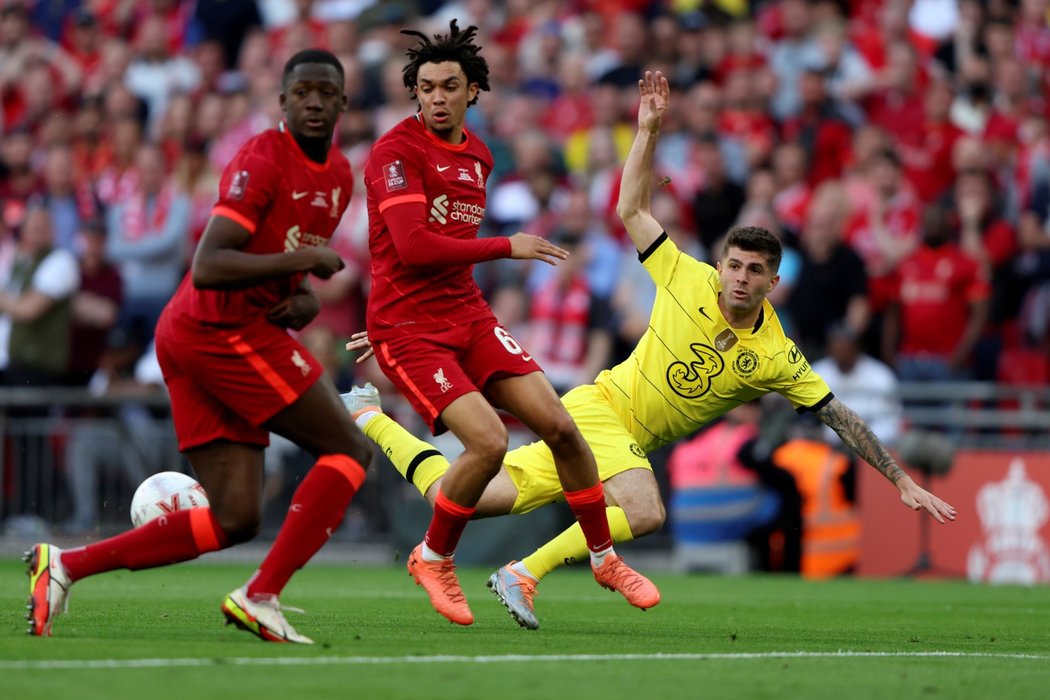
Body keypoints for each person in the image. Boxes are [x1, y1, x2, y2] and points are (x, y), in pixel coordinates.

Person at [345, 70, 957, 631]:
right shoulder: (686, 276)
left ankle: (369, 417)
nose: (740, 278)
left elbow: (838, 415)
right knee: (644, 510)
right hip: (605, 412)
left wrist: (900, 479)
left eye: (755, 272)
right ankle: (526, 572)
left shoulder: (776, 355)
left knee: (477, 496)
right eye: (734, 265)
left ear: (775, 282)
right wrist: (648, 130)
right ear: (719, 265)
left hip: (618, 434)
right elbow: (631, 207)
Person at [25, 49, 373, 645]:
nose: (313, 101)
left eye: (325, 92)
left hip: (203, 334)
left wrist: (304, 298)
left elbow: (283, 271)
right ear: (282, 102)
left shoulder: (338, 175)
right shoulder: (263, 157)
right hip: (217, 331)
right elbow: (209, 263)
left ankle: (63, 566)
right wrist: (304, 263)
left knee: (235, 516)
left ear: (343, 103)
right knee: (349, 450)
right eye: (301, 92)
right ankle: (260, 596)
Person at [362, 20, 654, 627]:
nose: (436, 97)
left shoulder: (479, 154)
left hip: (465, 314)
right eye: (425, 87)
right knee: (490, 442)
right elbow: (413, 247)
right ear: (414, 92)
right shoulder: (396, 151)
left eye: (449, 86)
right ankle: (433, 556)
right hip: (410, 326)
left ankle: (603, 557)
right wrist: (507, 246)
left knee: (562, 428)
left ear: (473, 91)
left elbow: (439, 252)